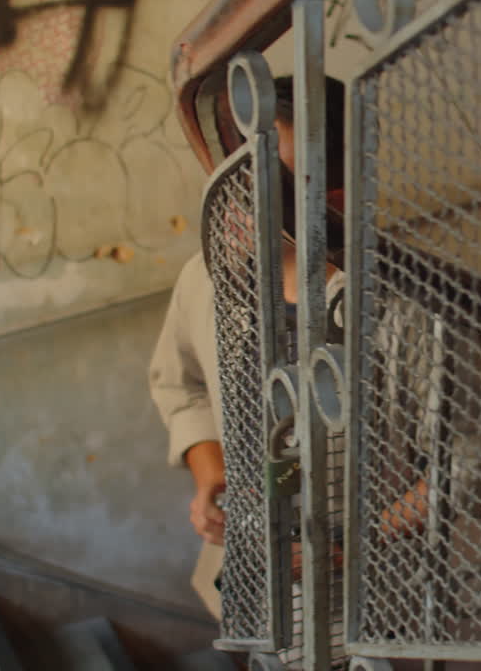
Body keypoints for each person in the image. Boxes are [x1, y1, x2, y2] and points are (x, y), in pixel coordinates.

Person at [149, 74, 347, 614]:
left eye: (273, 179)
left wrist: (345, 549)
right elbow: (180, 385)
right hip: (242, 588)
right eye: (234, 170)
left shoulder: (390, 306)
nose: (240, 197)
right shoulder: (204, 278)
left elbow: (461, 466)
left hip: (367, 607)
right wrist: (209, 473)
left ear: (334, 189)